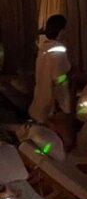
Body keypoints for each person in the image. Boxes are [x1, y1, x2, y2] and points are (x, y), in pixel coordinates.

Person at [29, 14, 75, 149]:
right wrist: (64, 104)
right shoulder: (58, 49)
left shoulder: (43, 48)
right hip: (54, 103)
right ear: (62, 30)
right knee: (65, 142)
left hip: (41, 99)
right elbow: (58, 78)